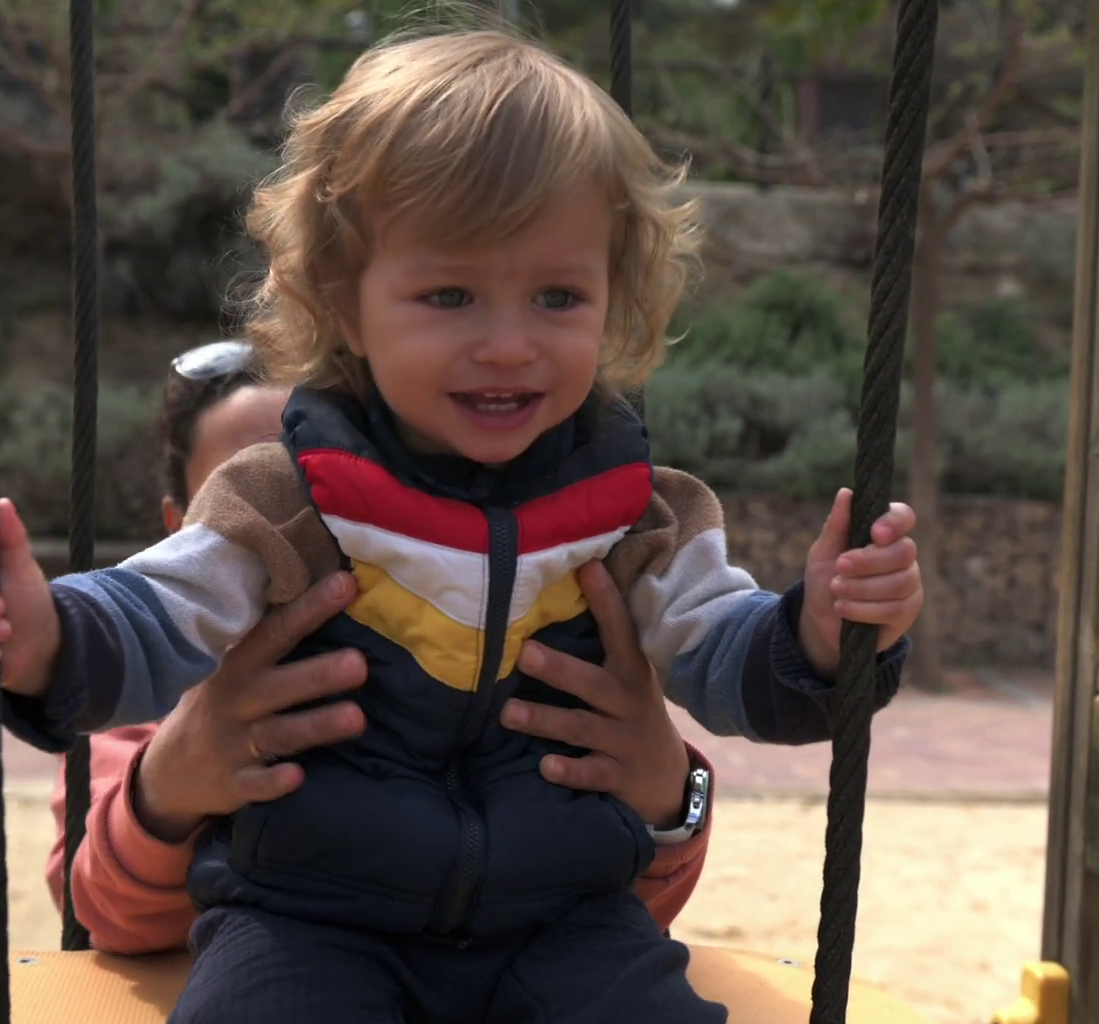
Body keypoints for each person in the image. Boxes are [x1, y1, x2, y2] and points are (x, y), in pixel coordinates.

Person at [0, 27, 922, 1024]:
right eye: (450, 296)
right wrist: (39, 636)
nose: (508, 343)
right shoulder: (283, 502)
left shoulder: (639, 514)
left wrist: (821, 633)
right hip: (312, 920)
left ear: (614, 295)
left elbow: (727, 653)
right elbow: (151, 615)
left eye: (558, 296)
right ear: (344, 304)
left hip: (566, 923)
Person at [41, 341, 723, 955]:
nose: (301, 530)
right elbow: (98, 913)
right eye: (254, 501)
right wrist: (166, 787)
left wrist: (671, 796)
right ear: (180, 532)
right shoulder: (147, 694)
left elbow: (625, 915)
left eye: (345, 497)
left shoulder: (509, 664)